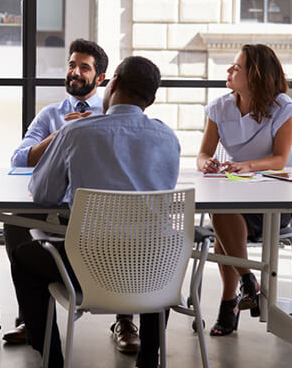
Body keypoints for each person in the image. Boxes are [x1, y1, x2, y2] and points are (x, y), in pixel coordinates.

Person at [11, 56, 180, 368]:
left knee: (24, 257)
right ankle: (149, 358)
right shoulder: (168, 138)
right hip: (153, 271)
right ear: (152, 99)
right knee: (157, 250)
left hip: (88, 265)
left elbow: (43, 195)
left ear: (112, 82)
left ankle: (52, 359)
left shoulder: (76, 133)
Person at [4, 39, 140, 353]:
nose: (74, 72)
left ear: (101, 78)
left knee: (127, 228)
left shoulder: (114, 115)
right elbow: (20, 158)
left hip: (107, 213)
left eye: (84, 67)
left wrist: (91, 130)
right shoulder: (50, 114)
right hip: (58, 210)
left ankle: (125, 320)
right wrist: (63, 135)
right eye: (71, 65)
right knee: (14, 225)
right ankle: (31, 316)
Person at [196, 43, 292, 337]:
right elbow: (202, 153)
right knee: (221, 210)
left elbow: (280, 159)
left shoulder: (282, 109)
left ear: (254, 76)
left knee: (222, 237)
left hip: (274, 200)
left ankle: (231, 302)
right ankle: (248, 282)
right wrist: (207, 164)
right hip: (236, 196)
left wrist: (247, 166)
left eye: (237, 67)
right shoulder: (219, 107)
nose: (229, 71)